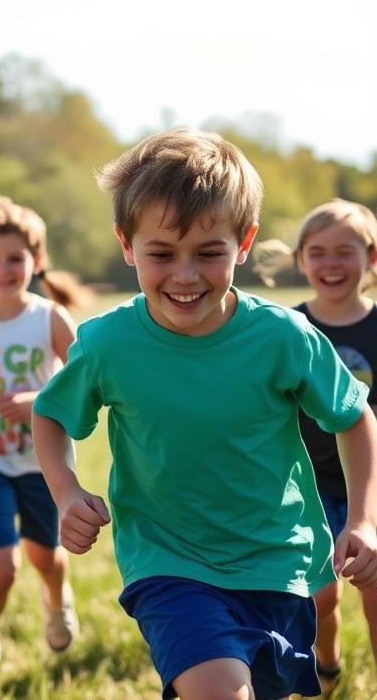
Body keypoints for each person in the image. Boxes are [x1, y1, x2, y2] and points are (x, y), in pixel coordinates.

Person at [30, 128, 377, 700]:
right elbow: (51, 415)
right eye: (162, 254)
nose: (186, 276)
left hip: (279, 564)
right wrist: (66, 492)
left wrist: (361, 520)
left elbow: (353, 416)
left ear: (244, 243)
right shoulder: (108, 343)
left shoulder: (282, 337)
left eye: (209, 254)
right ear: (126, 244)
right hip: (169, 562)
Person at [0, 195, 90, 700]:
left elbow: (83, 380)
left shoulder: (49, 317)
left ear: (37, 262)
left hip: (41, 462)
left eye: (16, 259)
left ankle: (57, 599)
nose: (3, 269)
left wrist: (38, 399)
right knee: (2, 565)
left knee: (47, 558)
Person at [255, 199, 377, 691]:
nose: (331, 263)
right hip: (305, 484)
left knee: (374, 590)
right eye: (318, 251)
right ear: (301, 259)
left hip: (369, 481)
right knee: (320, 595)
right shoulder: (287, 330)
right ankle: (326, 659)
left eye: (345, 252)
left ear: (371, 258)